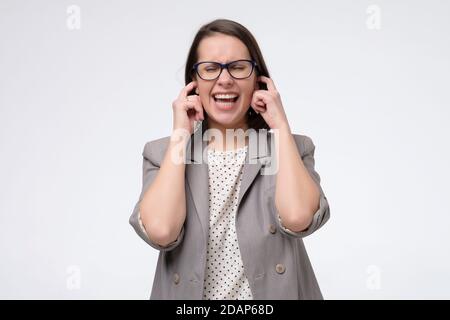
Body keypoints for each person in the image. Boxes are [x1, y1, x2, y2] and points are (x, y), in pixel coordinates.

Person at [129, 18, 330, 300]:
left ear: (257, 79)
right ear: (194, 83)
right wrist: (180, 134)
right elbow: (162, 231)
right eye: (210, 69)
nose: (225, 79)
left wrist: (280, 126)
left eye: (238, 67)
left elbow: (298, 218)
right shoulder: (163, 153)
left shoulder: (290, 148)